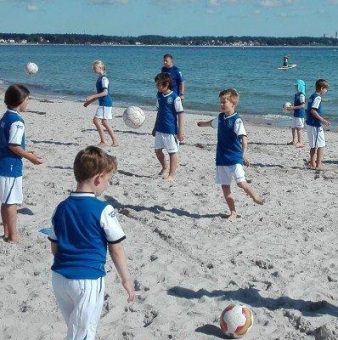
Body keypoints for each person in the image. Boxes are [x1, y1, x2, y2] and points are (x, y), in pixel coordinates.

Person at [49, 146, 135, 340]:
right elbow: (116, 248)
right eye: (108, 180)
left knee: (75, 328)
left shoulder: (61, 207)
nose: (107, 185)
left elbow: (54, 246)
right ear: (98, 178)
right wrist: (126, 279)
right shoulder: (103, 209)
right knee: (84, 333)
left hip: (60, 278)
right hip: (87, 279)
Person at [197, 88, 264, 222]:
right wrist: (202, 124)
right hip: (221, 159)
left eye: (224, 102)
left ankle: (255, 195)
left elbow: (244, 138)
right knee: (225, 187)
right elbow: (211, 123)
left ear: (233, 104)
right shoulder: (220, 117)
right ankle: (233, 212)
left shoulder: (237, 120)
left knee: (240, 182)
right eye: (220, 102)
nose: (221, 105)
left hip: (234, 158)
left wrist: (244, 154)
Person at [0, 84, 43, 242]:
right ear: (20, 101)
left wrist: (26, 152)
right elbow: (14, 145)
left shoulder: (5, 117)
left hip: (3, 163)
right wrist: (30, 157)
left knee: (5, 201)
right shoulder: (17, 121)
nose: (28, 103)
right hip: (11, 166)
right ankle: (13, 236)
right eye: (28, 100)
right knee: (11, 202)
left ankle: (6, 232)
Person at [153, 72, 184, 181]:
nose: (157, 86)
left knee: (172, 152)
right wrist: (154, 127)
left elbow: (180, 114)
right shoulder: (159, 97)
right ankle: (164, 167)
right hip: (159, 129)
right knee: (157, 150)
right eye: (156, 84)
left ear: (166, 84)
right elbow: (158, 112)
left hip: (170, 130)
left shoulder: (175, 97)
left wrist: (180, 131)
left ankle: (172, 174)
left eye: (159, 84)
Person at [84, 60, 118, 147]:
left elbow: (105, 93)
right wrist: (89, 102)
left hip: (105, 103)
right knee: (104, 122)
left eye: (95, 68)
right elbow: (100, 94)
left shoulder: (104, 79)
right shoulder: (100, 78)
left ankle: (103, 141)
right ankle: (115, 141)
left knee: (96, 120)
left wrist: (91, 97)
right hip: (105, 103)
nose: (93, 70)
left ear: (100, 68)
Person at [305, 79, 330, 170]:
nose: (326, 91)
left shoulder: (312, 96)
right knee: (321, 145)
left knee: (313, 145)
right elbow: (313, 110)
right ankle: (318, 165)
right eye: (326, 89)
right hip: (315, 125)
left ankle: (312, 163)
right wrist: (322, 120)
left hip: (310, 123)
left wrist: (321, 118)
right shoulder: (318, 97)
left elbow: (309, 110)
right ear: (322, 88)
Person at [286, 79, 306, 147]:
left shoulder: (302, 95)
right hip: (295, 114)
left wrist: (293, 108)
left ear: (300, 86)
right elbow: (296, 105)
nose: (296, 87)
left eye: (297, 86)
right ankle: (294, 140)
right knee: (293, 127)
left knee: (299, 128)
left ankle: (300, 142)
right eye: (296, 86)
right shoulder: (296, 94)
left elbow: (303, 105)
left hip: (300, 114)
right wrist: (291, 107)